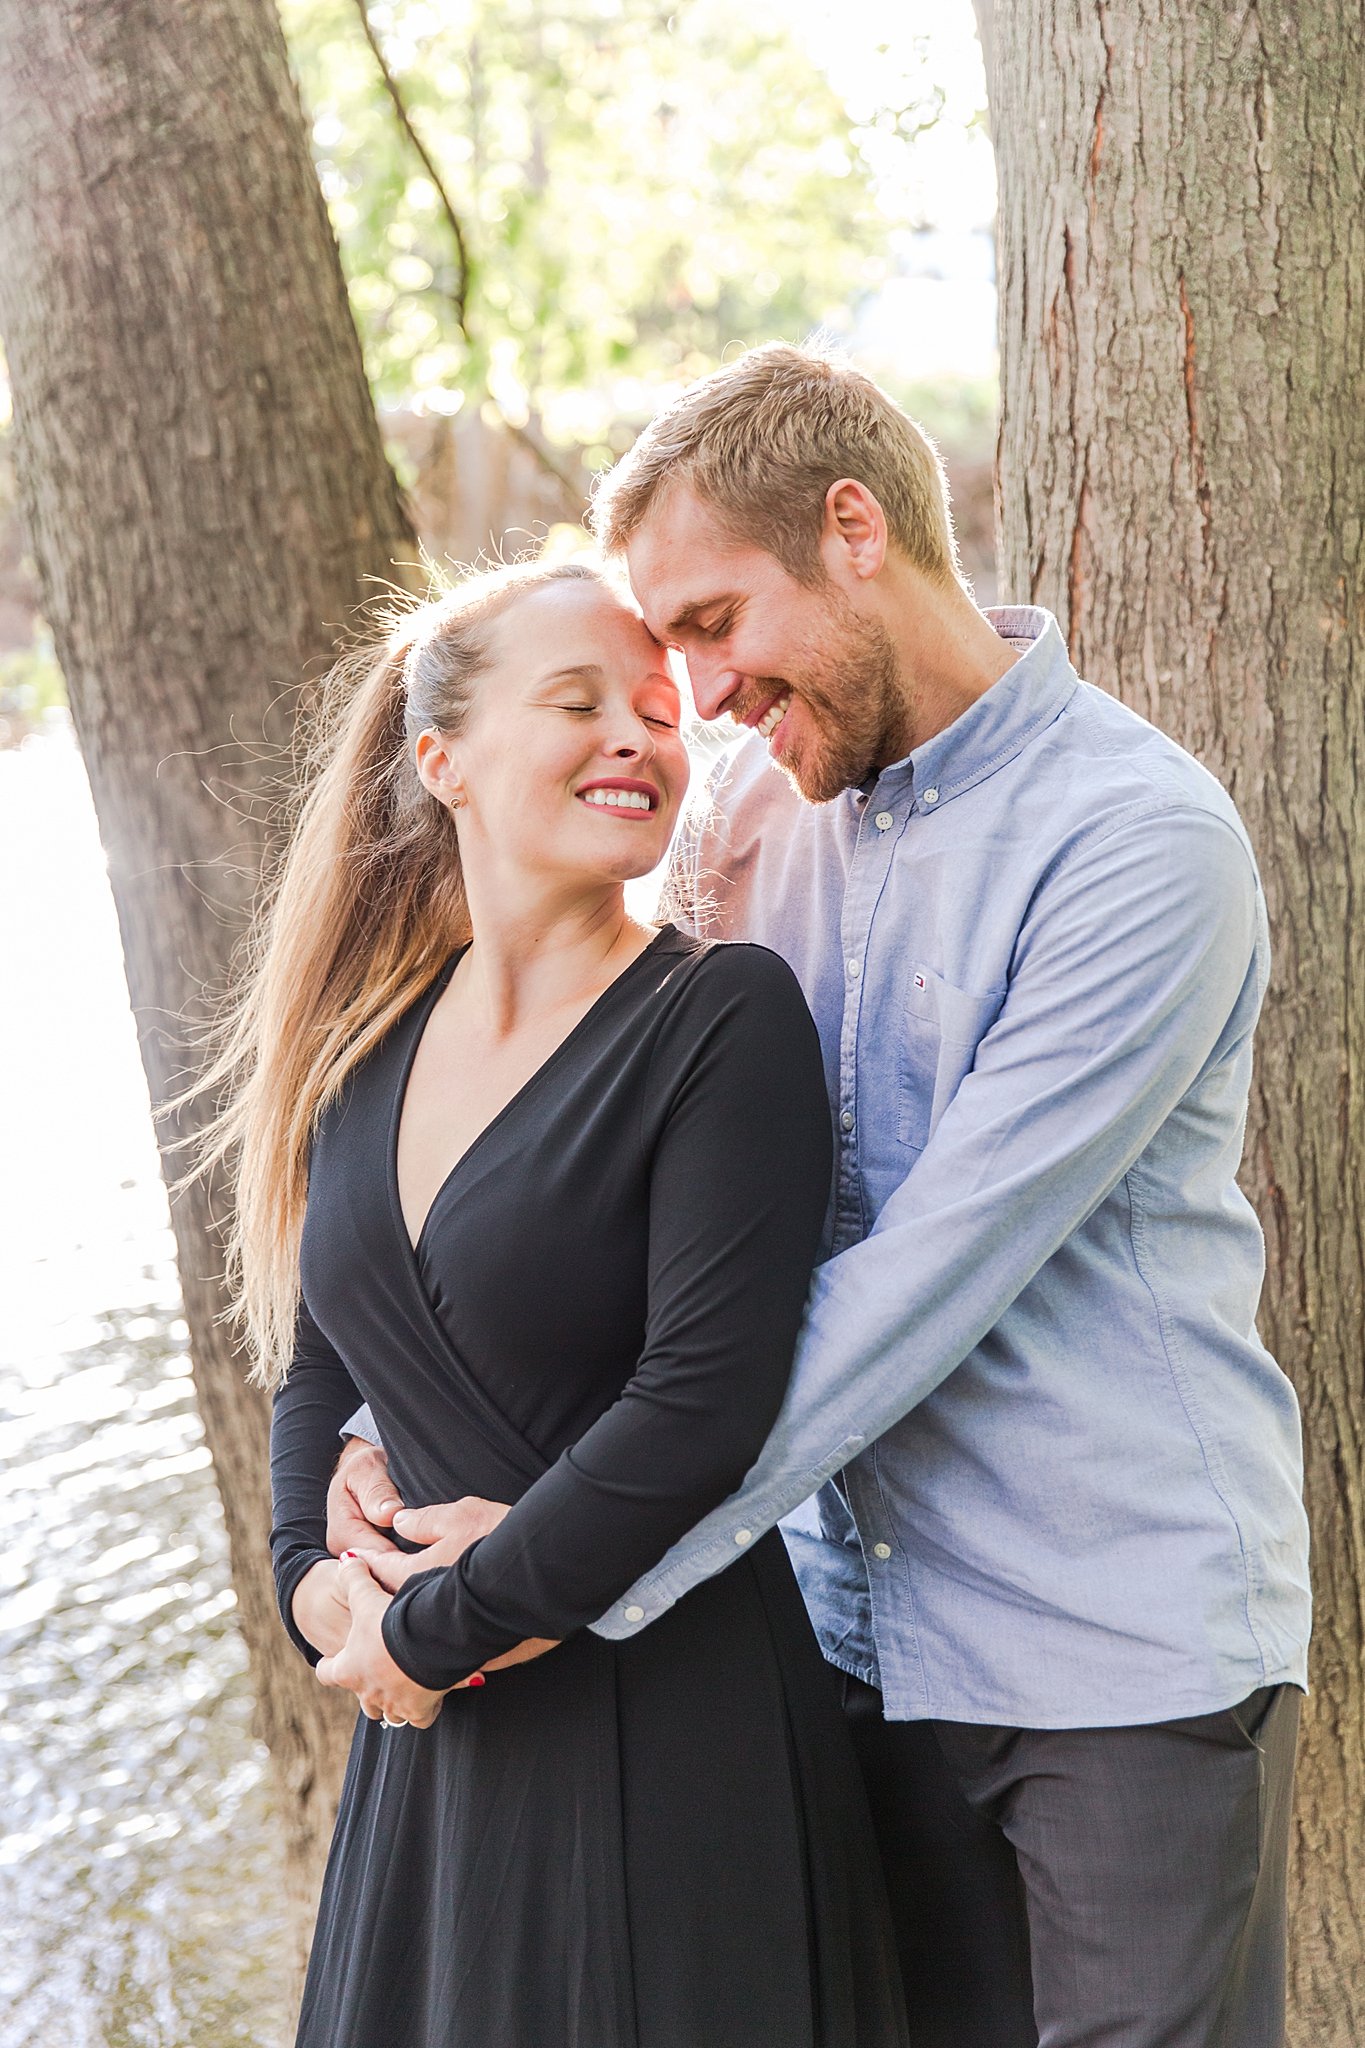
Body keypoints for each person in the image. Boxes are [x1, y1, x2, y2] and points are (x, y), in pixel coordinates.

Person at [334, 346, 1312, 2048]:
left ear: (852, 529)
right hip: (838, 1641)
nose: (694, 697)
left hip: (1110, 1654)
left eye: (712, 625)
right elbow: (572, 1147)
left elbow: (922, 1281)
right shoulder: (747, 828)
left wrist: (563, 1571)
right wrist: (383, 1403)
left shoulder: (1133, 843)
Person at [211, 557, 907, 2047]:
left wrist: (434, 1628)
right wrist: (313, 1586)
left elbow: (699, 1407)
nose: (639, 740)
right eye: (579, 702)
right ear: (441, 761)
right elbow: (323, 1368)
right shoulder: (368, 1045)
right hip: (437, 1743)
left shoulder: (718, 1018)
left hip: (663, 1719)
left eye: (659, 714)